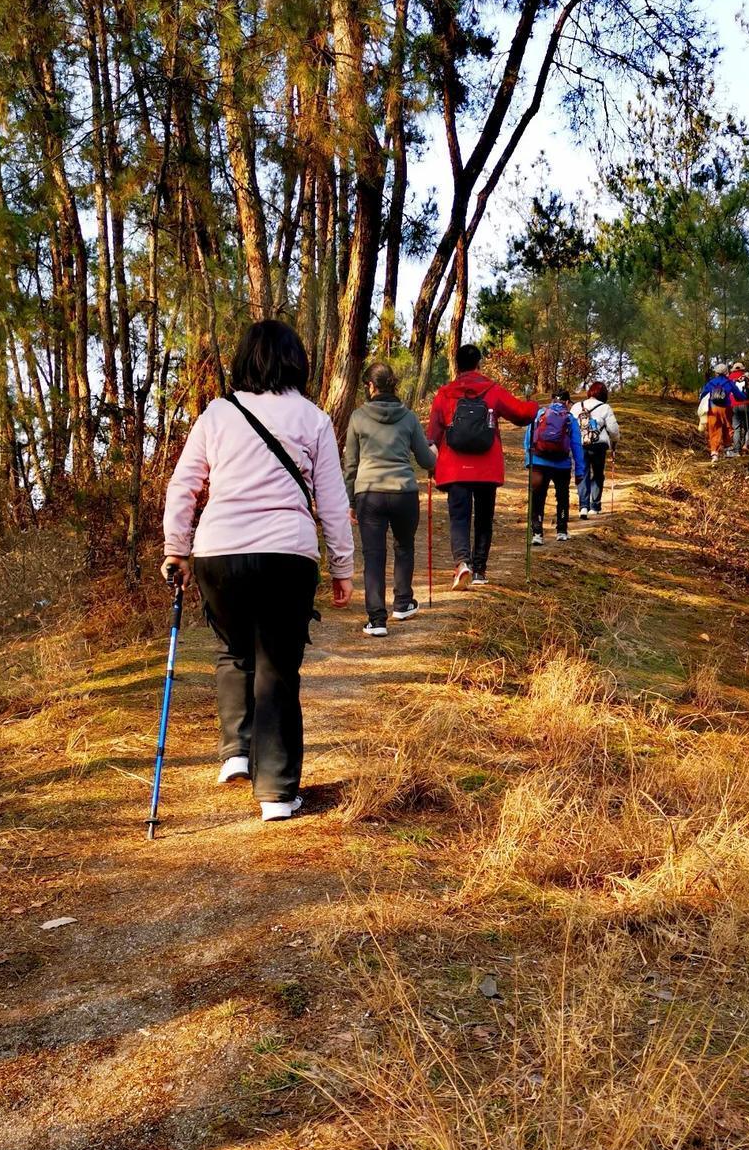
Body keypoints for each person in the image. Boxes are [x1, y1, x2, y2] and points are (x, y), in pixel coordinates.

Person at [162, 319, 353, 822]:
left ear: (244, 360)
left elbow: (183, 486)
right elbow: (332, 500)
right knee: (277, 666)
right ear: (298, 361)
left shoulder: (217, 415)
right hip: (286, 555)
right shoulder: (313, 419)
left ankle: (237, 752)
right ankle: (277, 793)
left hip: (218, 551)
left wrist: (176, 549)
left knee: (233, 650)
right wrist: (342, 564)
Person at [427, 343, 540, 589]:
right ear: (479, 363)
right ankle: (479, 570)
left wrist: (429, 461)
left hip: (455, 468)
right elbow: (521, 414)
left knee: (459, 518)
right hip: (486, 467)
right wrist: (534, 406)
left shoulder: (445, 393)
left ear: (456, 364)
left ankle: (462, 563)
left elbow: (433, 433)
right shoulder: (492, 390)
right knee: (484, 518)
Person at [342, 363, 436, 637]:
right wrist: (434, 451)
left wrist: (350, 501)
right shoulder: (408, 418)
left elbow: (351, 465)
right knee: (404, 546)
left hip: (369, 493)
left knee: (373, 554)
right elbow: (426, 459)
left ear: (371, 386)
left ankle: (376, 619)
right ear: (392, 384)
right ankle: (403, 602)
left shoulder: (358, 418)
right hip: (404, 492)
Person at [524, 391, 585, 542]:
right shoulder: (570, 419)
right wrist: (579, 471)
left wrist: (529, 462)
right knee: (562, 497)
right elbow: (577, 446)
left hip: (538, 462)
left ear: (552, 400)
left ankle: (537, 533)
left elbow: (528, 439)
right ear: (566, 403)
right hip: (562, 464)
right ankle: (562, 530)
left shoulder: (540, 414)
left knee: (537, 496)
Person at [572, 381, 620, 516]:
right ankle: (595, 506)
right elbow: (613, 429)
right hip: (599, 445)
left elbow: (570, 426)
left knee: (583, 473)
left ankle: (583, 507)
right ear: (603, 394)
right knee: (598, 474)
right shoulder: (605, 408)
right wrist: (615, 442)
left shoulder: (577, 406)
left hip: (580, 445)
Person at [700, 362, 736, 463]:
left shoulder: (711, 383)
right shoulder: (729, 382)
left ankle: (714, 454)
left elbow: (703, 395)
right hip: (726, 409)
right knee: (727, 427)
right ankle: (728, 451)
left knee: (714, 429)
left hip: (713, 408)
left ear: (716, 373)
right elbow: (738, 395)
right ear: (726, 372)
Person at [729, 362, 749, 456]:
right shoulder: (748, 377)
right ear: (742, 369)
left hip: (734, 405)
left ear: (733, 369)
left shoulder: (730, 378)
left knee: (736, 428)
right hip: (747, 404)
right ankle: (746, 445)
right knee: (748, 426)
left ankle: (737, 450)